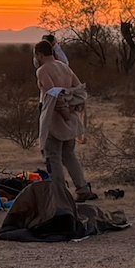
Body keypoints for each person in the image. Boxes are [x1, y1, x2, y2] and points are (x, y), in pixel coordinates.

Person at [31, 34, 97, 204]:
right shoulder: (64, 67)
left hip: (55, 119)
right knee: (69, 155)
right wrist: (71, 107)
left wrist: (63, 110)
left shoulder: (43, 70)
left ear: (39, 55)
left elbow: (53, 93)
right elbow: (79, 89)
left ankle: (59, 194)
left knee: (53, 156)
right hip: (70, 120)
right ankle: (82, 189)